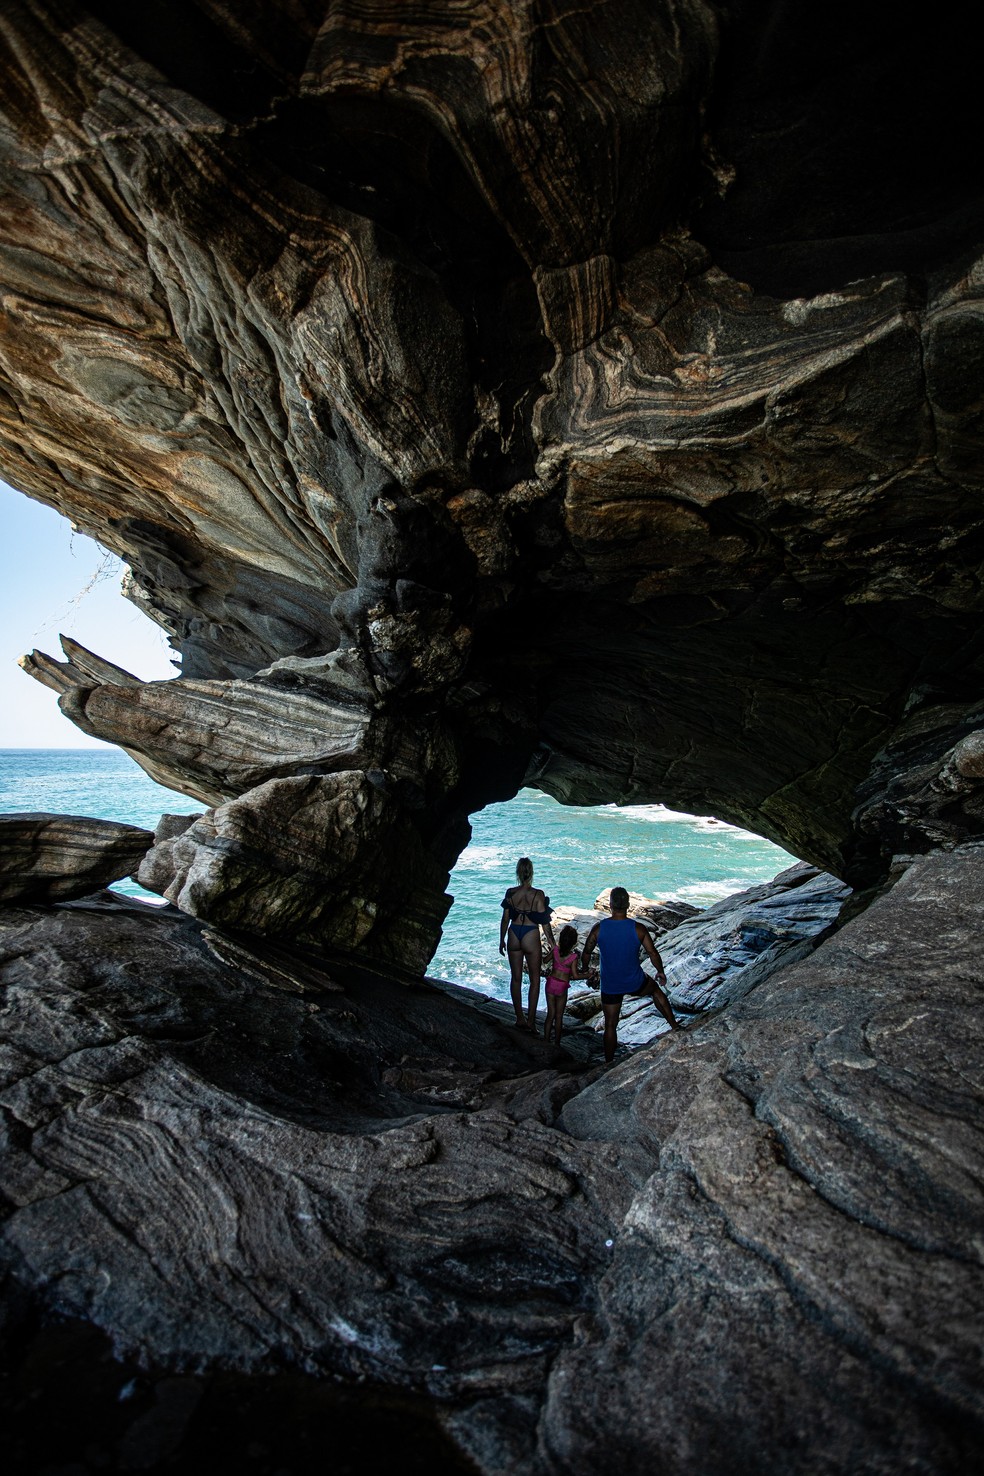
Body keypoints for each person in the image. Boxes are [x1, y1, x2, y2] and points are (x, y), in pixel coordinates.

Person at [581, 885, 682, 1062]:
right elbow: (652, 953)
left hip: (610, 985)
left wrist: (584, 969)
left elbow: (587, 952)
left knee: (610, 1025)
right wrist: (660, 972)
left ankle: (609, 1062)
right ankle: (675, 1026)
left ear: (610, 905)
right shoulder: (638, 929)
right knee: (656, 991)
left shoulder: (599, 929)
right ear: (628, 905)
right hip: (635, 982)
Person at [499, 856, 554, 1032]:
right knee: (534, 980)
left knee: (515, 978)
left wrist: (501, 940)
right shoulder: (538, 895)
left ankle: (519, 1019)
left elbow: (506, 918)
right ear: (531, 873)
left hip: (514, 933)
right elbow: (545, 923)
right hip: (530, 934)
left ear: (518, 872)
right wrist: (553, 945)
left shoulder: (511, 893)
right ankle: (531, 1022)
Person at [543, 923, 585, 1048]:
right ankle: (556, 1043)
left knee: (550, 1014)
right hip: (562, 986)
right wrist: (588, 975)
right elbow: (575, 976)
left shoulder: (555, 950)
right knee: (559, 1016)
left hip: (551, 983)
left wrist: (551, 948)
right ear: (574, 943)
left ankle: (545, 1041)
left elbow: (545, 961)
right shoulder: (573, 957)